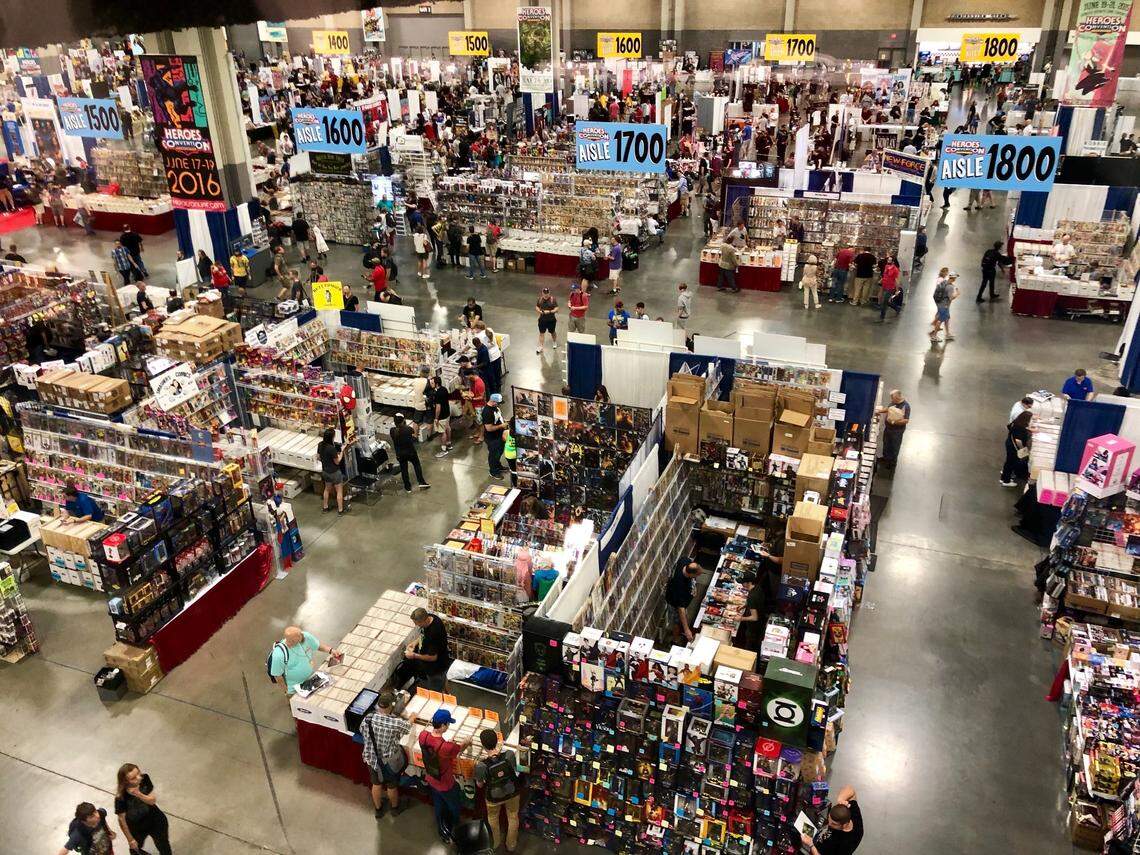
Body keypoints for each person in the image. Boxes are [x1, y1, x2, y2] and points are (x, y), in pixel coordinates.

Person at [418, 709, 472, 843]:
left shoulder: (423, 735)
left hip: (431, 778)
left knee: (438, 803)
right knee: (454, 805)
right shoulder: (446, 747)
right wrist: (466, 741)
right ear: (442, 725)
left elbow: (434, 748)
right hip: (446, 783)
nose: (448, 726)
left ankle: (441, 825)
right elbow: (459, 749)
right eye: (448, 724)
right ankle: (454, 826)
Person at [360, 691, 412, 819]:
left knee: (376, 784)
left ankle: (378, 809)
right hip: (389, 761)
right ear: (391, 706)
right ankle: (395, 808)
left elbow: (362, 730)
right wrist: (412, 718)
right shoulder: (394, 723)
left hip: (371, 758)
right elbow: (407, 728)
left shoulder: (368, 718)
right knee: (391, 785)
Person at [475, 728, 521, 854]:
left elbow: (479, 785)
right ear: (497, 741)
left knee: (493, 819)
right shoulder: (509, 755)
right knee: (513, 817)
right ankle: (511, 845)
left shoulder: (481, 765)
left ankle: (494, 844)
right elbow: (515, 772)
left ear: (483, 745)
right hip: (512, 793)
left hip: (493, 797)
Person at [115, 763, 172, 855]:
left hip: (155, 819)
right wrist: (130, 839)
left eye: (138, 773)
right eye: (133, 778)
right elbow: (122, 820)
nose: (139, 778)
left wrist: (138, 794)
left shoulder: (144, 778)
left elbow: (152, 801)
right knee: (135, 849)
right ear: (126, 781)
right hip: (136, 826)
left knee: (163, 845)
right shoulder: (120, 797)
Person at [268, 625, 341, 695]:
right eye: (299, 636)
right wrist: (286, 690)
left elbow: (318, 646)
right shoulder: (279, 654)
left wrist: (331, 650)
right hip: (294, 689)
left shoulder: (305, 636)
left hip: (311, 680)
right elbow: (278, 676)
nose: (302, 636)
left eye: (301, 634)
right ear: (293, 641)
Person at [393, 607, 451, 691]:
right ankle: (446, 692)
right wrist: (415, 643)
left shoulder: (434, 633)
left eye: (417, 623)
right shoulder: (431, 617)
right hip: (434, 663)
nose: (416, 625)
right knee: (442, 680)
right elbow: (423, 634)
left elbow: (433, 657)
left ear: (424, 620)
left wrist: (414, 655)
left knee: (435, 690)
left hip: (436, 668)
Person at [801, 786, 863, 855]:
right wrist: (841, 799)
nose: (829, 824)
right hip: (817, 836)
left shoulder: (845, 845)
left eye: (834, 824)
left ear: (845, 824)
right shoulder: (853, 813)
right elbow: (851, 790)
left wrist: (811, 845)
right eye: (829, 819)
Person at [391, 412, 431, 493]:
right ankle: (421, 482)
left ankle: (407, 487)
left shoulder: (392, 431)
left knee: (404, 470)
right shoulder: (408, 429)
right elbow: (414, 437)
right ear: (403, 420)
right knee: (416, 465)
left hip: (400, 454)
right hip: (410, 452)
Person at [665, 557, 703, 642]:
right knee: (677, 622)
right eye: (696, 575)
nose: (697, 577)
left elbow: (690, 560)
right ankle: (675, 640)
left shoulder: (685, 561)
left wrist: (693, 587)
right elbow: (680, 609)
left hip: (683, 600)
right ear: (690, 574)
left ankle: (681, 631)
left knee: (683, 618)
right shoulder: (680, 586)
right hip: (674, 603)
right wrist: (687, 630)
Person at [875, 389, 911, 469]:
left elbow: (906, 420)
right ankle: (885, 458)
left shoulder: (906, 406)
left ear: (898, 397)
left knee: (894, 446)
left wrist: (894, 422)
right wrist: (878, 411)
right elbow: (888, 409)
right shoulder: (893, 403)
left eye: (893, 398)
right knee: (886, 443)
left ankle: (892, 462)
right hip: (888, 428)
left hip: (897, 431)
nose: (891, 400)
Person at [317, 428, 348, 514]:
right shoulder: (331, 448)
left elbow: (318, 457)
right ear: (332, 437)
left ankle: (325, 507)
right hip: (335, 472)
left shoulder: (320, 445)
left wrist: (326, 460)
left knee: (327, 489)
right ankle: (340, 510)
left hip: (325, 472)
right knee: (339, 491)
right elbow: (337, 461)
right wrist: (342, 451)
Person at [1001, 410, 1033, 487]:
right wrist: (1022, 450)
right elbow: (1018, 441)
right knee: (1011, 463)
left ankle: (1004, 477)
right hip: (1014, 448)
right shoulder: (1020, 428)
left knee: (1008, 462)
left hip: (1009, 444)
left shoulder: (1016, 422)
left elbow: (1008, 426)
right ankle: (1006, 481)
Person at [483, 392, 508, 479]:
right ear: (493, 401)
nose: (499, 405)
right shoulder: (487, 412)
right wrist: (502, 426)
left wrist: (504, 422)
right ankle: (493, 472)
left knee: (499, 452)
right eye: (498, 403)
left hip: (499, 435)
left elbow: (499, 418)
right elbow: (489, 428)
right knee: (494, 455)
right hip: (492, 438)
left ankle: (498, 466)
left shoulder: (495, 408)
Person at [930, 270, 959, 341]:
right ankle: (934, 336)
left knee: (946, 319)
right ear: (954, 278)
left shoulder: (944, 282)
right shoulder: (950, 287)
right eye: (955, 277)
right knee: (940, 320)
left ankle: (948, 334)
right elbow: (951, 298)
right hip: (944, 306)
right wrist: (957, 293)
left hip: (940, 304)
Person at [430, 375, 453, 457]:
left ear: (436, 384)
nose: (431, 384)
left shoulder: (437, 393)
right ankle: (449, 444)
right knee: (448, 428)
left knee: (442, 432)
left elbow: (438, 407)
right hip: (447, 413)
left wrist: (436, 418)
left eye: (432, 383)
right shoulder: (444, 389)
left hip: (441, 416)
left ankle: (444, 450)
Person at [536, 286, 558, 353]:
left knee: (552, 332)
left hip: (551, 320)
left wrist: (550, 311)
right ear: (542, 293)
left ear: (549, 293)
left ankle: (554, 342)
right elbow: (537, 307)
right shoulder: (540, 299)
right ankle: (541, 347)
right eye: (544, 293)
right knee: (541, 333)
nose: (546, 294)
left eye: (547, 293)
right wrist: (539, 311)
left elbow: (556, 308)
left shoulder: (552, 299)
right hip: (542, 320)